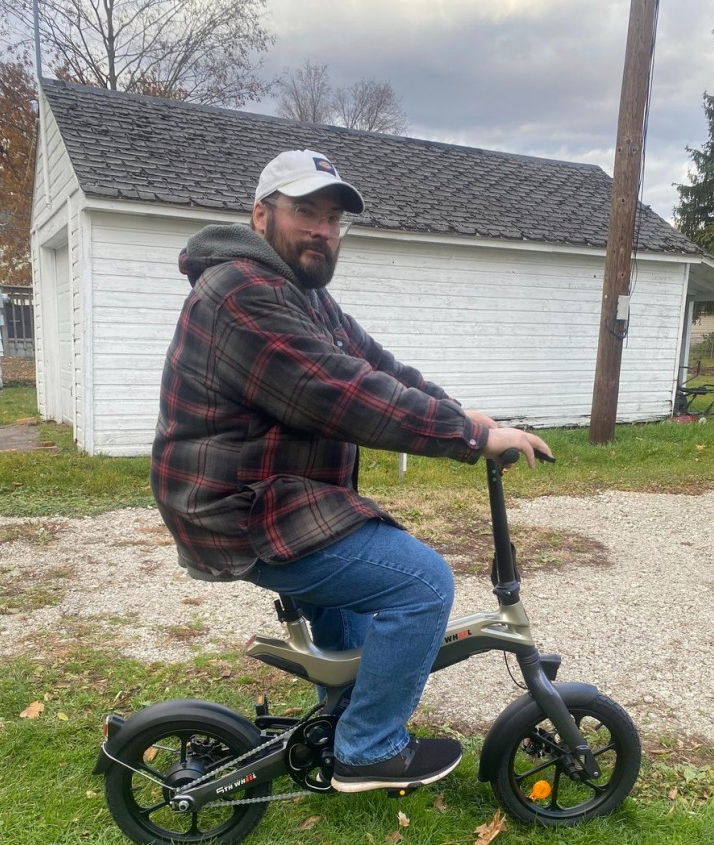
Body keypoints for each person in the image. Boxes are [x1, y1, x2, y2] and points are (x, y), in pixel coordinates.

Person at [151, 149, 552, 794]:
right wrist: (470, 437)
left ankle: (342, 720)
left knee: (362, 603)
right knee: (421, 582)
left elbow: (375, 365)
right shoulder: (242, 294)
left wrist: (462, 415)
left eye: (334, 218)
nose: (323, 229)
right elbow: (343, 393)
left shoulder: (300, 294)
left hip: (280, 496)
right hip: (242, 509)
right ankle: (366, 749)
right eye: (305, 210)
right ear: (261, 215)